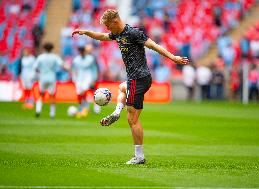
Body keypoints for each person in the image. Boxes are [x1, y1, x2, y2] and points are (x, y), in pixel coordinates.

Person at [72, 9, 189, 164]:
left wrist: (173, 57)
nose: (107, 29)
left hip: (138, 79)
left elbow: (154, 45)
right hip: (137, 79)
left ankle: (139, 156)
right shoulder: (117, 33)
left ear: (115, 21)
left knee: (132, 119)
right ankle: (116, 112)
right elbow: (102, 36)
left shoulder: (133, 33)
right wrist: (85, 32)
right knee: (121, 88)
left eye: (108, 26)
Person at [34, 42, 68, 119]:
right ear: (52, 49)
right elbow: (62, 65)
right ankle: (52, 114)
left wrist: (40, 72)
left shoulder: (41, 57)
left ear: (44, 48)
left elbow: (35, 67)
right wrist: (68, 69)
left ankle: (38, 110)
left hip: (42, 78)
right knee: (52, 96)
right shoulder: (54, 57)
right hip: (52, 78)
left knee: (41, 95)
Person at [72, 46, 100, 118]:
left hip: (88, 78)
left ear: (84, 51)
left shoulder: (90, 59)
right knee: (79, 94)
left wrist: (94, 79)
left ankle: (90, 108)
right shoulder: (76, 60)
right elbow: (74, 70)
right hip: (79, 79)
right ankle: (82, 108)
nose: (81, 53)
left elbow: (94, 69)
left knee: (84, 92)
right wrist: (74, 79)